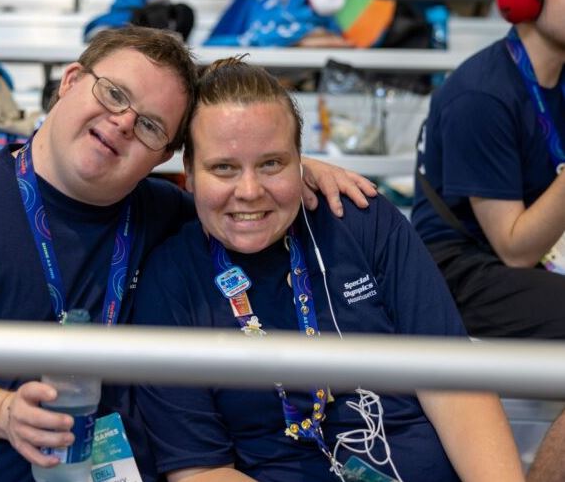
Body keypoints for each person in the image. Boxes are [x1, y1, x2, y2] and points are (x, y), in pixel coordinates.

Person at [0, 26, 376, 482]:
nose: (123, 123)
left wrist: (293, 171)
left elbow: (238, 193)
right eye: (114, 94)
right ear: (70, 82)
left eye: (150, 125)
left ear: (163, 156)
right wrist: (1, 413)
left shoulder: (169, 216)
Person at [132, 57, 524, 482]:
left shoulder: (360, 219)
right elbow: (202, 471)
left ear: (301, 163)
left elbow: (454, 385)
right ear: (189, 174)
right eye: (223, 168)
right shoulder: (170, 279)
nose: (249, 191)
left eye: (271, 164)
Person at [411, 0, 565, 339]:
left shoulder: (557, 78)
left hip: (533, 251)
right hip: (461, 269)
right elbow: (515, 250)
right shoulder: (481, 95)